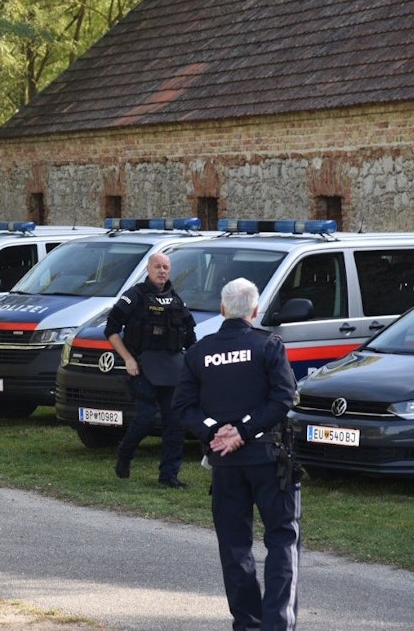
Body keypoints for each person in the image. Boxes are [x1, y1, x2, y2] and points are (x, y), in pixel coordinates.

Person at [172, 277, 300, 631]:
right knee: (282, 540)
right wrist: (243, 430)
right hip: (270, 461)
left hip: (225, 464)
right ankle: (277, 624)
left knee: (234, 546)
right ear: (255, 311)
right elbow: (283, 398)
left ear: (222, 309)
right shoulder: (269, 345)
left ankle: (248, 623)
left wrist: (216, 432)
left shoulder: (199, 352)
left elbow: (182, 407)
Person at [104, 251, 196, 487]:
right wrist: (127, 359)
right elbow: (111, 329)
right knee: (144, 419)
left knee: (175, 424)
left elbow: (190, 336)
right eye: (158, 266)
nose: (162, 271)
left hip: (172, 369)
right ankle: (125, 453)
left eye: (166, 267)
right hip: (142, 367)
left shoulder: (176, 299)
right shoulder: (134, 296)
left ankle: (169, 476)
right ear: (148, 269)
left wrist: (195, 365)